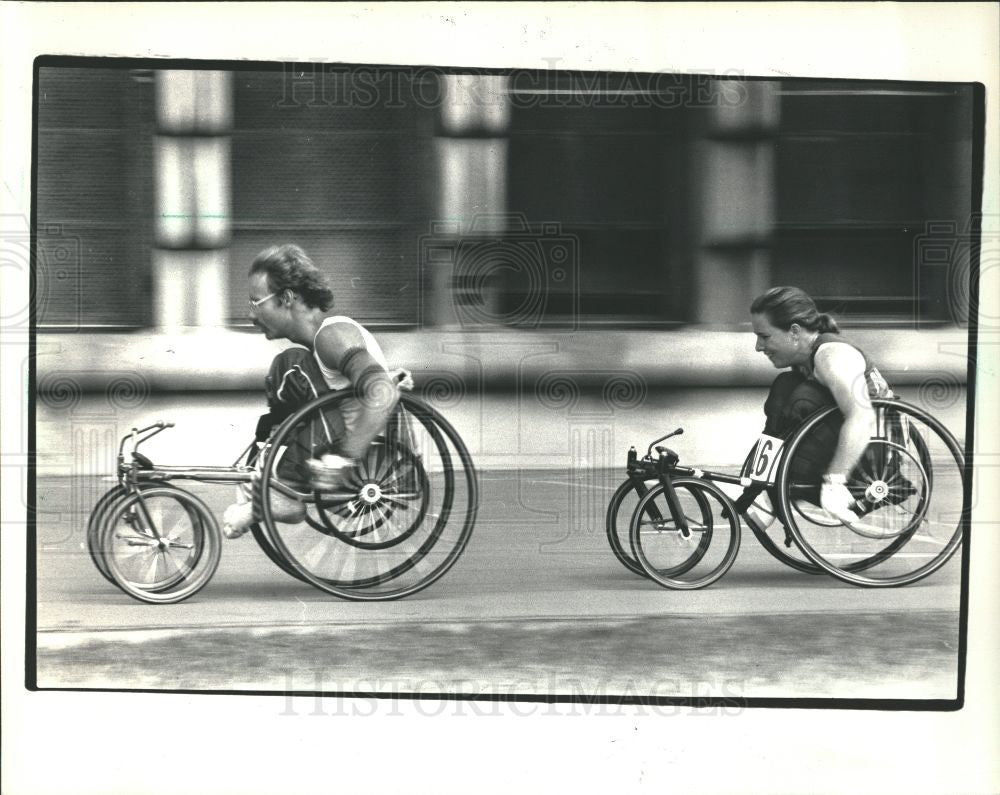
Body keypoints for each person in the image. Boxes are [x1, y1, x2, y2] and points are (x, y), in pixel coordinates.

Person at [222, 244, 404, 538]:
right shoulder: (321, 345)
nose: (251, 315)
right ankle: (275, 476)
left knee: (295, 367)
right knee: (287, 365)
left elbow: (382, 392)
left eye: (256, 303)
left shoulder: (331, 336)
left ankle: (286, 491)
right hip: (336, 449)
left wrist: (344, 458)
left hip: (358, 467)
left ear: (287, 298)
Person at [744, 285, 894, 528]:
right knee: (785, 386)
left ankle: (770, 491)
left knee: (803, 397)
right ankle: (762, 489)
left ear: (794, 332)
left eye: (765, 336)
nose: (758, 347)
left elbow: (862, 417)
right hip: (848, 441)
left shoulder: (832, 356)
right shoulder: (805, 360)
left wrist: (835, 482)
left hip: (875, 451)